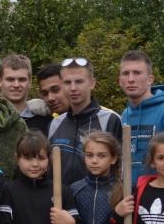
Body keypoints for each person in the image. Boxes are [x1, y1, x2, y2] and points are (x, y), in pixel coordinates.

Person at [48, 58, 125, 188]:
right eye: (67, 82)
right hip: (61, 205)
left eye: (79, 81)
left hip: (98, 204)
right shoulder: (55, 123)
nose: (73, 88)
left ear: (92, 83)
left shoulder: (110, 119)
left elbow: (122, 169)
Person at [118, 50, 164, 186]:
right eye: (125, 73)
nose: (131, 79)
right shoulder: (125, 114)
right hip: (132, 197)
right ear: (120, 81)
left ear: (150, 79)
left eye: (137, 73)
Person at [0, 54, 50, 133]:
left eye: (22, 80)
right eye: (10, 79)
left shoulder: (47, 120)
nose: (16, 85)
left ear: (30, 82)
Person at [34, 63, 69, 135]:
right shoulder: (49, 123)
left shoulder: (97, 118)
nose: (50, 98)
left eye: (55, 90)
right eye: (45, 93)